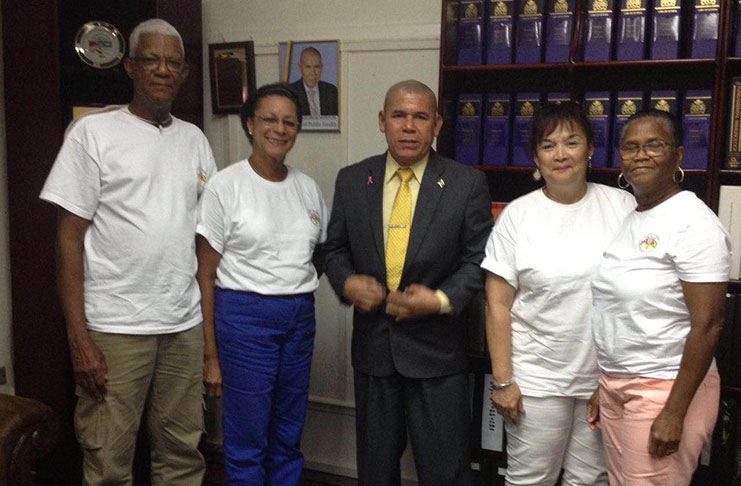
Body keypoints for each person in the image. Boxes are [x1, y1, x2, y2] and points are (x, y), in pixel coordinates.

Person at [39, 19, 215, 486]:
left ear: (184, 73)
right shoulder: (91, 134)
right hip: (115, 328)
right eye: (152, 60)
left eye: (173, 62)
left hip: (182, 325)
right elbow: (68, 240)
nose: (163, 70)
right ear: (130, 66)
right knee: (108, 462)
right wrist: (80, 340)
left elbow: (205, 239)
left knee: (182, 455)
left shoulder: (194, 139)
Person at [323, 79, 493, 485]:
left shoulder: (466, 184)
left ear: (437, 124)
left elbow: (479, 261)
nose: (409, 126)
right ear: (383, 121)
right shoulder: (352, 179)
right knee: (375, 472)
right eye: (399, 115)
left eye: (420, 117)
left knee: (445, 472)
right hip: (374, 353)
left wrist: (439, 300)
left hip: (438, 355)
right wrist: (346, 283)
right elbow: (333, 250)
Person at [481, 101, 635, 486]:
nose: (561, 154)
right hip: (536, 382)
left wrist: (617, 378)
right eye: (548, 145)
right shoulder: (518, 215)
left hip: (604, 380)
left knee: (591, 480)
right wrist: (502, 382)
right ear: (536, 156)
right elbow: (497, 305)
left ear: (591, 149)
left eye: (572, 142)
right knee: (531, 480)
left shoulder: (623, 206)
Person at [587, 109, 731, 485]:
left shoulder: (693, 223)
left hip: (665, 389)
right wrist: (605, 383)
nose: (641, 155)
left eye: (654, 145)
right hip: (619, 386)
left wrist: (674, 411)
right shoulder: (634, 218)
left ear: (679, 155)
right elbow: (620, 313)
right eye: (631, 147)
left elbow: (709, 324)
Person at [196, 82, 328, 485]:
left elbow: (319, 255)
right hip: (244, 320)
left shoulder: (307, 188)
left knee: (288, 433)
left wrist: (288, 289)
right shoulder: (225, 186)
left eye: (289, 122)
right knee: (248, 438)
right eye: (269, 119)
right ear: (250, 124)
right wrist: (211, 355)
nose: (279, 129)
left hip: (299, 317)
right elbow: (204, 273)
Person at [288, 47, 338, 116]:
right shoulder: (291, 91)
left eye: (316, 67)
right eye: (308, 67)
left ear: (321, 68)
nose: (312, 72)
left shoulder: (331, 91)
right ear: (300, 68)